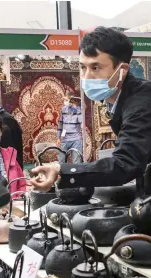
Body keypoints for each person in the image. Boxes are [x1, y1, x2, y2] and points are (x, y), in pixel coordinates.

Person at [30, 26, 151, 195]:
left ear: (122, 71)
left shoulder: (141, 104)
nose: (86, 77)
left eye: (95, 68)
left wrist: (61, 170)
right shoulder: (121, 98)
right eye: (82, 67)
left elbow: (125, 163)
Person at [57, 95, 83, 163]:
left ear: (72, 101)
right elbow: (61, 123)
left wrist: (78, 109)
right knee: (61, 161)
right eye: (64, 100)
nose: (65, 102)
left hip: (76, 139)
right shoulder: (63, 109)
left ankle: (76, 174)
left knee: (76, 162)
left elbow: (81, 122)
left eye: (67, 100)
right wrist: (58, 137)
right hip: (64, 138)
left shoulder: (78, 109)